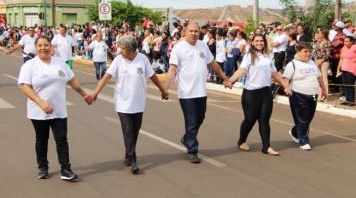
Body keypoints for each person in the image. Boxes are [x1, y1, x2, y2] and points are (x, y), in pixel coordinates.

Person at [85, 36, 168, 174]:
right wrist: (95, 93)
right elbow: (106, 77)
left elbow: (152, 76)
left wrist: (162, 90)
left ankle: (128, 154)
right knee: (128, 130)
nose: (120, 50)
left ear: (131, 49)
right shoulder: (118, 60)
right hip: (122, 103)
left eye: (122, 48)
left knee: (135, 131)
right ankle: (133, 159)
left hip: (138, 102)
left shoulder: (143, 59)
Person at [18, 36, 90, 180]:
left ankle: (66, 169)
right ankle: (43, 168)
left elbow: (72, 81)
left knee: (62, 140)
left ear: (51, 47)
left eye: (46, 45)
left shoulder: (60, 63)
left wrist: (85, 95)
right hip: (38, 111)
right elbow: (24, 87)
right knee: (41, 140)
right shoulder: (30, 65)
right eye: (40, 45)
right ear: (35, 48)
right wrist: (41, 103)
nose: (43, 48)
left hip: (59, 110)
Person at [164, 22, 229, 163]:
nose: (194, 33)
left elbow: (213, 64)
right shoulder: (178, 48)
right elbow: (172, 69)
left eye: (196, 31)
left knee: (200, 118)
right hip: (186, 93)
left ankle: (187, 137)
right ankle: (192, 150)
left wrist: (225, 78)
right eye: (191, 31)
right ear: (185, 32)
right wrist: (165, 87)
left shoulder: (203, 45)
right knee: (192, 121)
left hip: (201, 91)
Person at [226, 34, 286, 156]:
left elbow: (275, 74)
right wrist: (230, 80)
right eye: (257, 41)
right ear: (252, 42)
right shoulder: (249, 56)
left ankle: (266, 147)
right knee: (250, 119)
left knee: (264, 120)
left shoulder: (267, 57)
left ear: (264, 42)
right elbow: (241, 70)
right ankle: (242, 140)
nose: (259, 43)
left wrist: (285, 86)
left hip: (266, 93)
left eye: (261, 41)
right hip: (251, 93)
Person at [283, 42, 328, 151]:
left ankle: (295, 132)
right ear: (298, 52)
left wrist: (324, 90)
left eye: (309, 51)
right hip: (298, 94)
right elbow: (285, 78)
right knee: (303, 118)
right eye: (305, 51)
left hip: (312, 95)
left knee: (308, 118)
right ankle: (304, 141)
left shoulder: (312, 63)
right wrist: (286, 88)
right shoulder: (292, 64)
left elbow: (319, 77)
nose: (308, 54)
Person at [337, 36, 355, 106]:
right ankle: (347, 100)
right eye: (344, 41)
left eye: (347, 41)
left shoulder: (354, 47)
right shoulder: (343, 48)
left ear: (351, 42)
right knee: (345, 85)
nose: (345, 43)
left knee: (349, 85)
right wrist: (338, 69)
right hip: (343, 68)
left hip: (351, 69)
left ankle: (352, 101)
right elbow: (341, 59)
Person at [315, 28, 331, 99]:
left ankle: (325, 95)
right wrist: (316, 61)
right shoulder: (318, 42)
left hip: (324, 61)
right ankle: (319, 95)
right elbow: (315, 52)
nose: (318, 34)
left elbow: (328, 54)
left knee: (324, 78)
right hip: (317, 61)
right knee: (318, 78)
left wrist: (321, 61)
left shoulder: (328, 42)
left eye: (319, 33)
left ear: (323, 34)